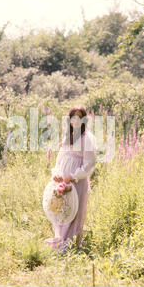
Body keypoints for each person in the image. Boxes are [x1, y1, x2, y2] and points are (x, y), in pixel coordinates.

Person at [45, 106, 96, 252]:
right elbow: (60, 159)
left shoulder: (87, 138)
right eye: (73, 117)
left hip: (76, 181)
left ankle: (72, 245)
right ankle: (61, 239)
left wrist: (73, 176)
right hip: (62, 180)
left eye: (80, 117)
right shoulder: (68, 136)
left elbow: (89, 163)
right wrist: (56, 172)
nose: (76, 120)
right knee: (62, 209)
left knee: (74, 211)